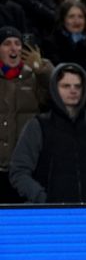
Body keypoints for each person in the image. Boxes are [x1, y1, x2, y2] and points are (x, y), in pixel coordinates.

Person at [9, 63, 86, 203]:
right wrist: (43, 199)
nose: (73, 90)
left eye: (77, 86)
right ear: (55, 88)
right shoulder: (38, 126)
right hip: (51, 217)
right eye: (66, 86)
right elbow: (19, 171)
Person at [0, 26, 53, 202]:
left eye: (17, 43)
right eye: (7, 44)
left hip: (27, 170)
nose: (14, 48)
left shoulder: (34, 77)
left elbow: (57, 95)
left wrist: (42, 69)